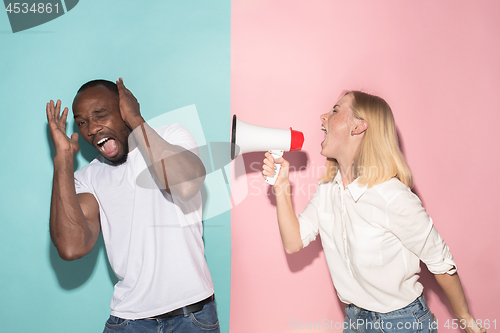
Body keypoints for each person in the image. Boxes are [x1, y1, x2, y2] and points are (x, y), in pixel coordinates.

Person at [262, 91, 486, 333]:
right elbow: (294, 242)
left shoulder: (392, 196)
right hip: (355, 320)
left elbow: (442, 264)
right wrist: (281, 186)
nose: (323, 116)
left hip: (404, 324)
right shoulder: (328, 189)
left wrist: (468, 323)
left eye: (335, 111)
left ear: (359, 127)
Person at [46, 78, 219, 332]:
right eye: (82, 122)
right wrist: (62, 158)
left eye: (100, 115)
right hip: (129, 321)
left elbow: (185, 186)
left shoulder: (172, 136)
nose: (91, 129)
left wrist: (137, 120)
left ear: (123, 110)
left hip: (191, 316)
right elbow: (72, 247)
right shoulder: (88, 178)